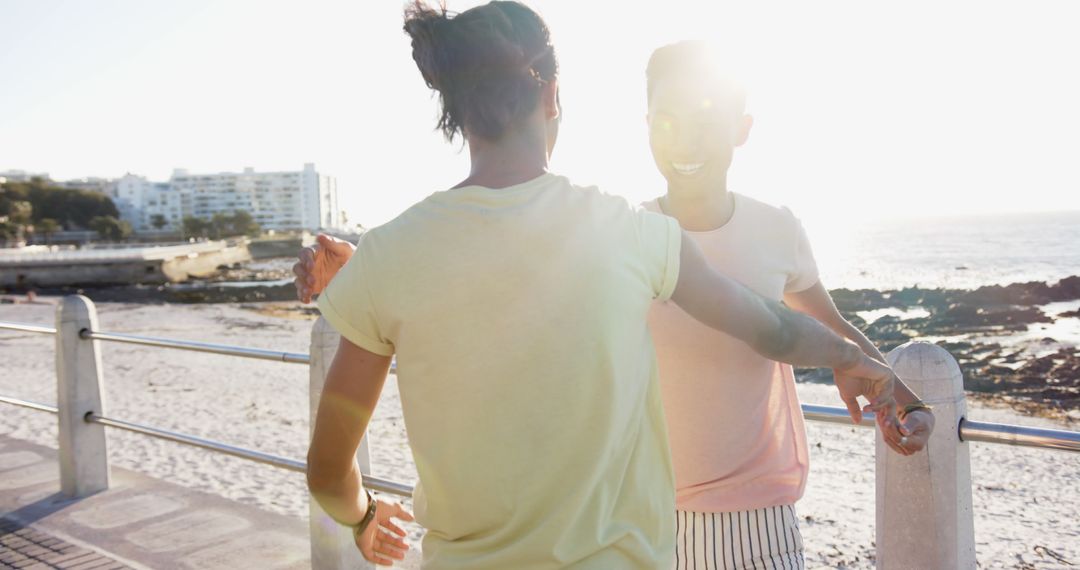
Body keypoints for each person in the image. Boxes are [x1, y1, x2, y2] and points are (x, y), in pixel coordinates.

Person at [302, 2, 899, 568]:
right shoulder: (629, 233)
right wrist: (851, 358)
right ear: (552, 94)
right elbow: (771, 327)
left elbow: (329, 474)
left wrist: (365, 517)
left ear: (454, 107)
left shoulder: (389, 256)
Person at [640, 42, 935, 569]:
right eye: (668, 120)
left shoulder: (777, 228)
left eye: (705, 119)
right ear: (647, 125)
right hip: (643, 516)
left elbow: (829, 324)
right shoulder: (625, 234)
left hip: (760, 516)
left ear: (741, 129)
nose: (685, 139)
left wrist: (910, 403)